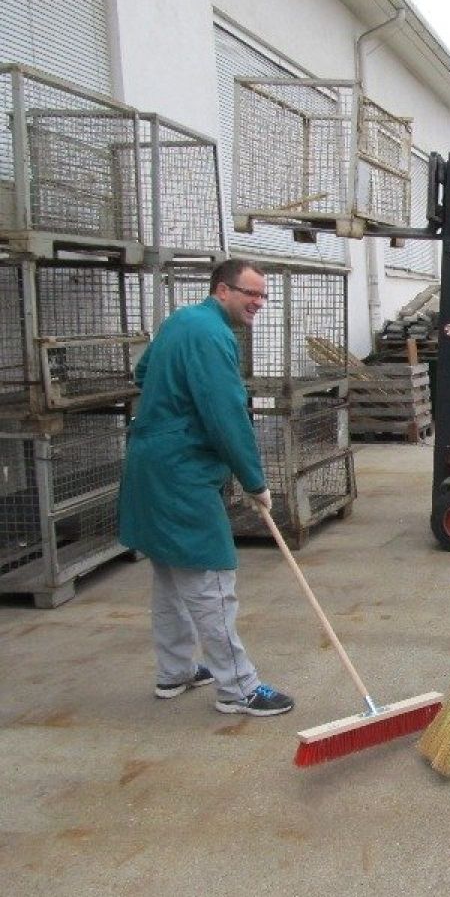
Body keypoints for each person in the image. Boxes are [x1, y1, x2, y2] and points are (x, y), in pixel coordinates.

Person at [118, 259, 294, 718]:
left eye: (263, 295)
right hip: (182, 473)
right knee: (210, 577)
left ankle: (174, 671)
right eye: (250, 293)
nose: (259, 302)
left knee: (170, 575)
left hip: (151, 464)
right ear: (222, 290)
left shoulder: (180, 321)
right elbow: (225, 413)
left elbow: (144, 373)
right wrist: (254, 480)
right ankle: (238, 687)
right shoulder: (214, 335)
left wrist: (173, 408)